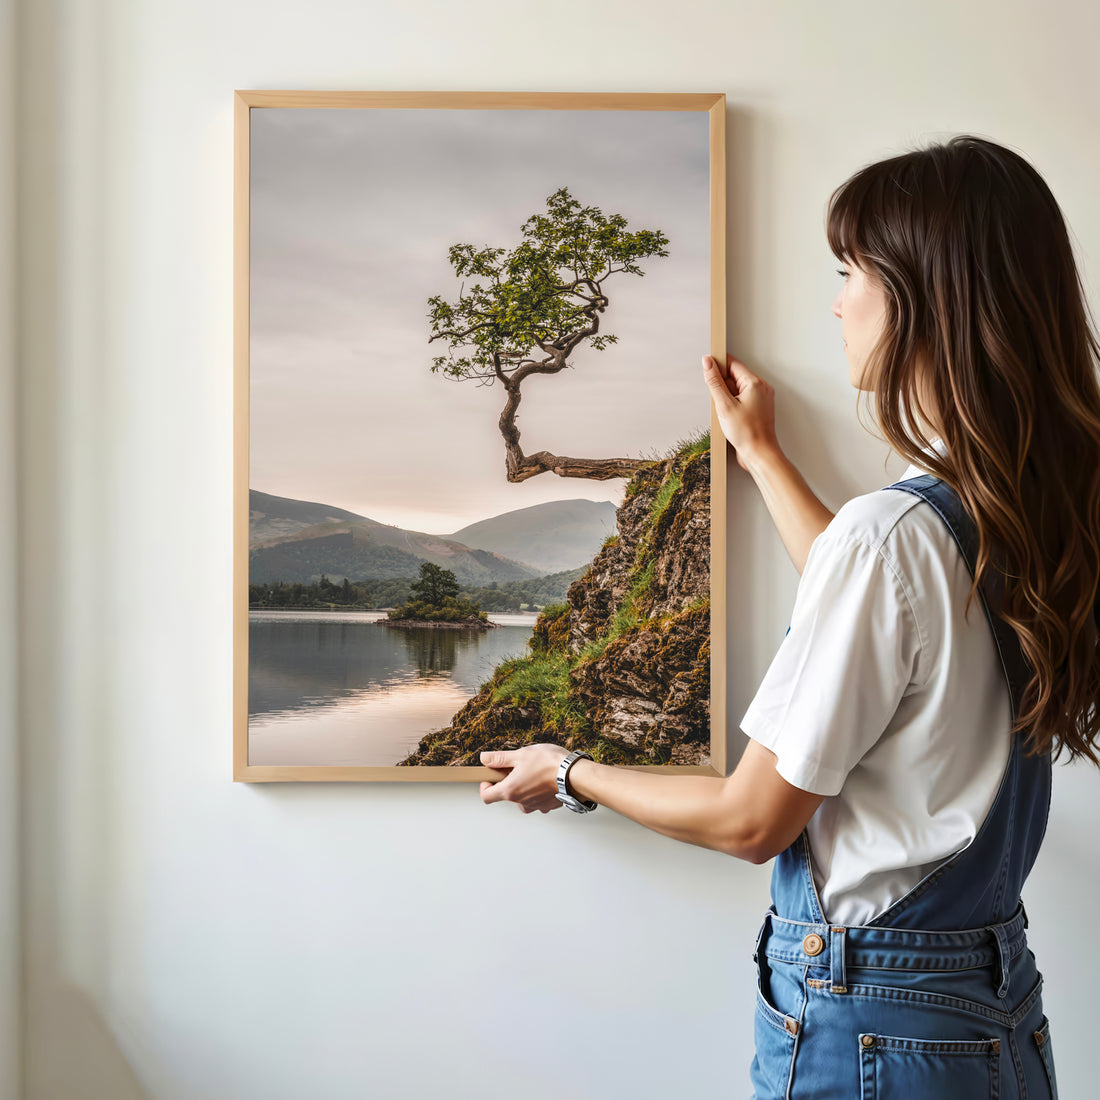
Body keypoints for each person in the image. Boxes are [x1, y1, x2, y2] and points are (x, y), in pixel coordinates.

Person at [477, 134, 1100, 1099]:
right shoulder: (1021, 509)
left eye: (852, 271)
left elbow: (749, 819)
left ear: (925, 298)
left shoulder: (895, 535)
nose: (838, 300)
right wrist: (763, 455)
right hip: (987, 1010)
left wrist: (568, 770)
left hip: (875, 1027)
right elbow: (887, 622)